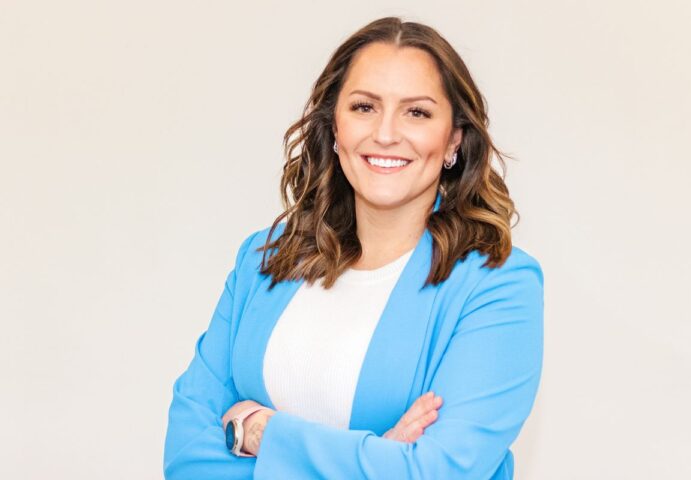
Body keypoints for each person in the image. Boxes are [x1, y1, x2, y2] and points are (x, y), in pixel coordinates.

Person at [163, 16, 544, 479]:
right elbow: (185, 457)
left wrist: (262, 432)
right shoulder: (265, 260)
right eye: (364, 107)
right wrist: (378, 457)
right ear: (334, 128)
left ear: (454, 140)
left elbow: (438, 472)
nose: (385, 133)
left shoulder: (498, 286)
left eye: (417, 113)